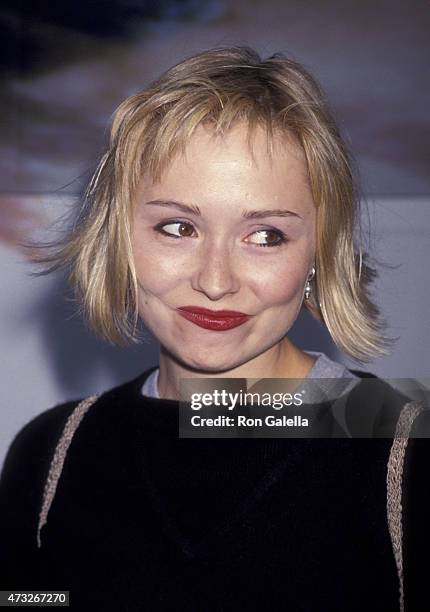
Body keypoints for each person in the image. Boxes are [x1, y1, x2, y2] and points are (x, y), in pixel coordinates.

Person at [0, 46, 428, 612]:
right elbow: (31, 600)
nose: (216, 280)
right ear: (119, 240)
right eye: (178, 227)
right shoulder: (52, 450)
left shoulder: (406, 455)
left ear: (319, 255)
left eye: (266, 235)